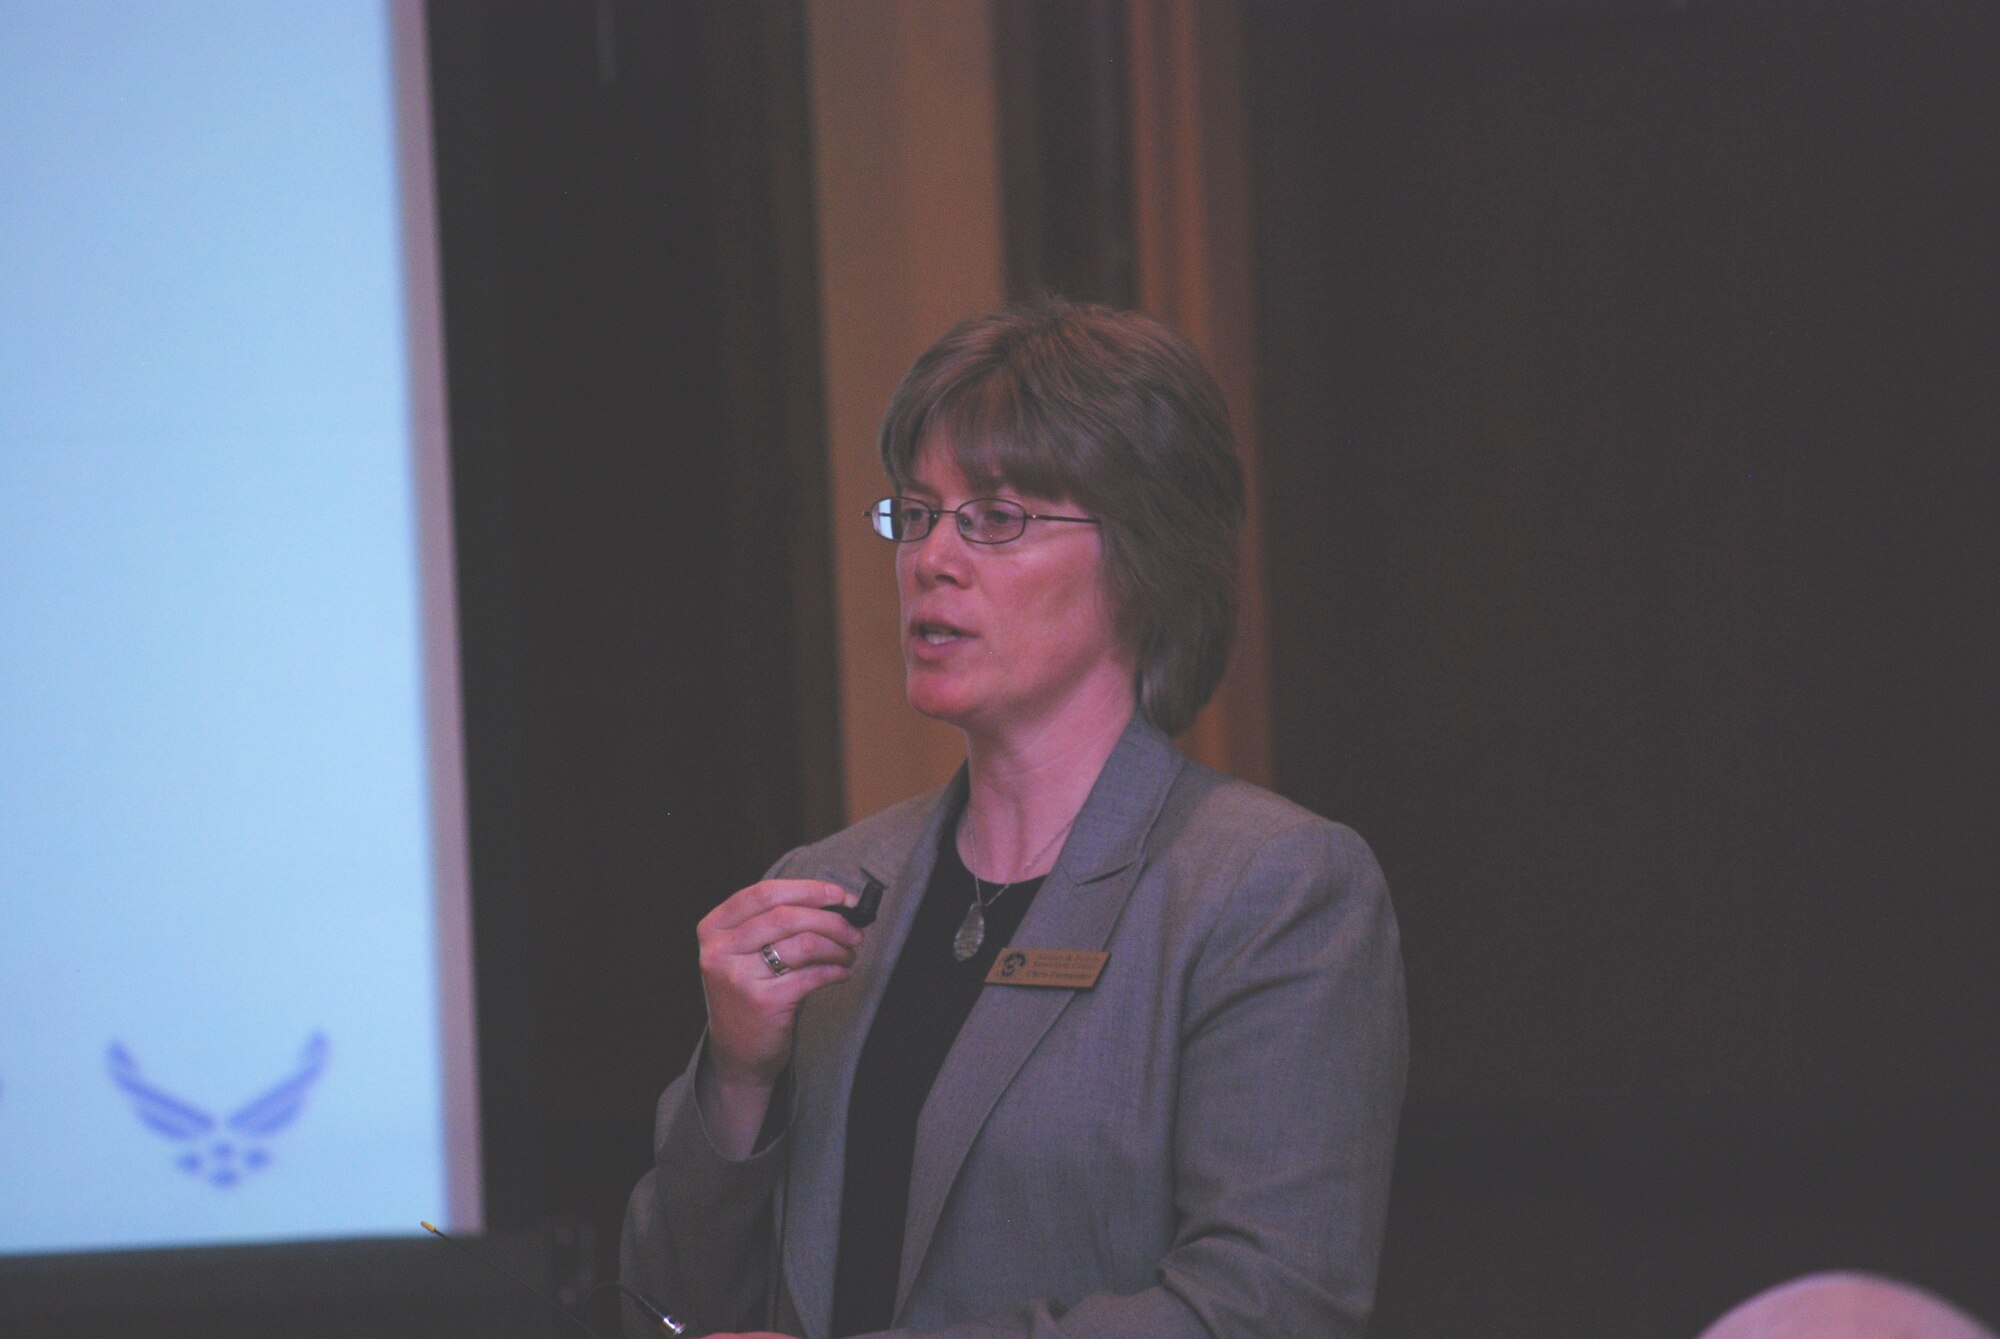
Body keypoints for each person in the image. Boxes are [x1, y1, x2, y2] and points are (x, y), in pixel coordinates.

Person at [621, 297, 1406, 1338]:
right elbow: (668, 1306)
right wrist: (735, 1077)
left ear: (1144, 559)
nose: (931, 557)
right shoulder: (830, 880)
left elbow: (1266, 1311)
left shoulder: (1268, 888)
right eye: (916, 511)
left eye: (996, 517)